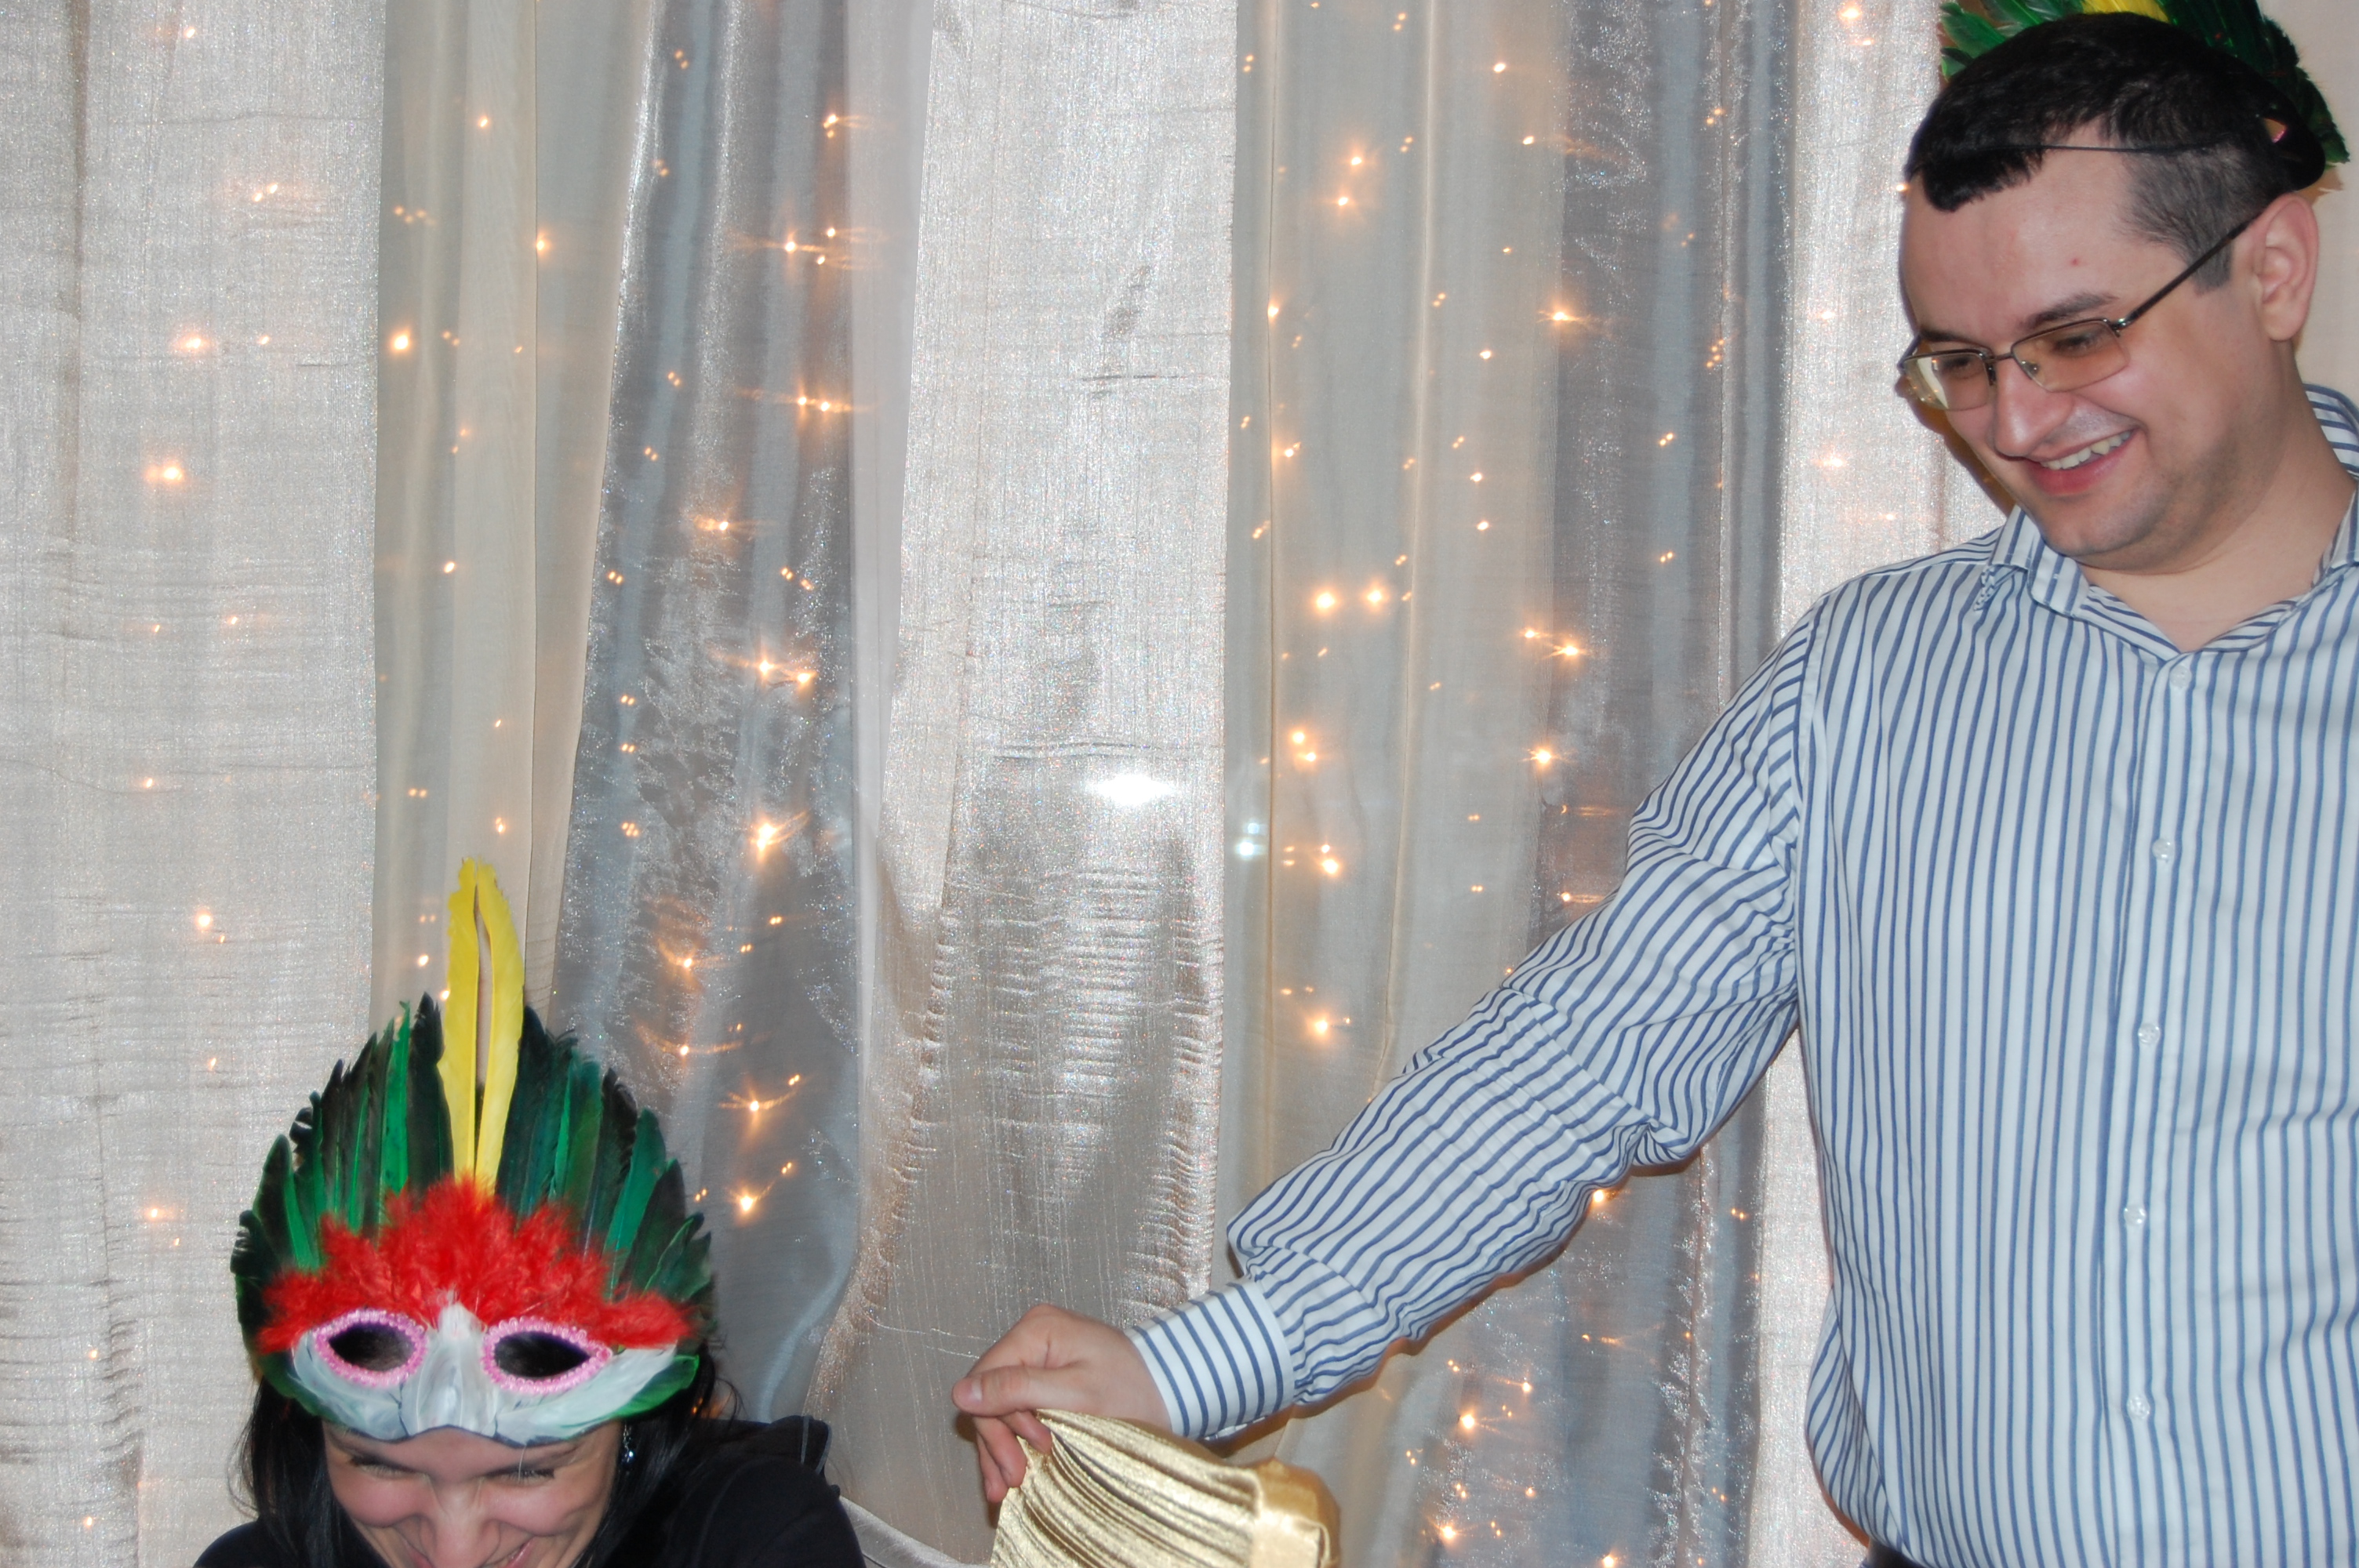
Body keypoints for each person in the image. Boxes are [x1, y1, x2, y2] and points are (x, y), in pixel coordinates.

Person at [953, 8, 2358, 1567]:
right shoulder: (1866, 680)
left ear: (2270, 270)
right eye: (1960, 365)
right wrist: (1188, 1369)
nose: (2015, 422)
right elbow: (1584, 1053)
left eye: (2077, 336)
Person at [198, 862, 861, 1568]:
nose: (455, 1554)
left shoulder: (757, 1538)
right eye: (383, 1464)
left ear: (628, 1424)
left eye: (525, 1471)